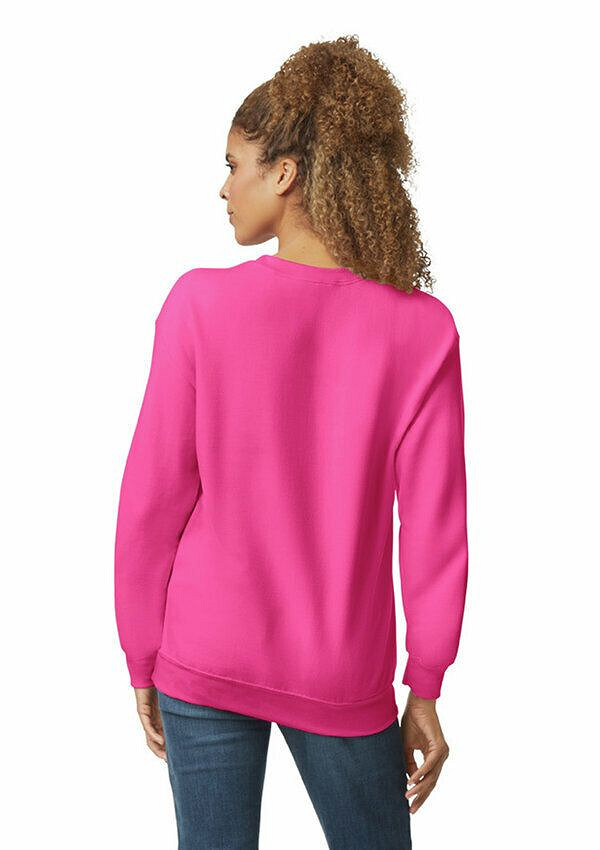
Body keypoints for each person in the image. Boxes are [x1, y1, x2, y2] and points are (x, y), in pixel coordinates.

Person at [114, 34, 468, 849]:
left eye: (234, 164)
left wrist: (141, 651)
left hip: (203, 651)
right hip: (338, 667)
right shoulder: (422, 331)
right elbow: (436, 529)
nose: (223, 187)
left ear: (286, 173)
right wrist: (425, 682)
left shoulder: (199, 306)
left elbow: (151, 501)